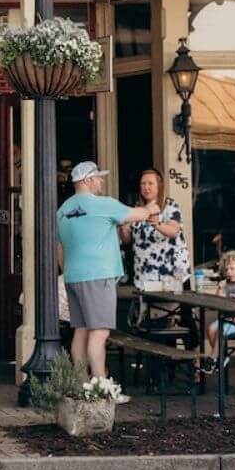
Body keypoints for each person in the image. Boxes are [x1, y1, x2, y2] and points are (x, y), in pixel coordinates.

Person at [56, 161, 155, 390]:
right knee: (99, 333)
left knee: (80, 332)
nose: (101, 181)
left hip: (72, 276)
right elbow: (137, 214)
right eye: (98, 177)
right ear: (88, 180)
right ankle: (102, 389)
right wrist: (151, 208)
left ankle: (81, 387)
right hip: (98, 276)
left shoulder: (62, 211)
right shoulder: (103, 204)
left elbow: (59, 248)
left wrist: (67, 270)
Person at [120, 169, 190, 288]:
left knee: (172, 306)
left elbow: (173, 231)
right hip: (144, 274)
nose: (146, 187)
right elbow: (127, 240)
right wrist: (122, 227)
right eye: (143, 183)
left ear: (159, 186)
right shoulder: (137, 209)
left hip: (171, 273)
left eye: (150, 183)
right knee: (148, 306)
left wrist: (157, 224)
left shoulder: (170, 206)